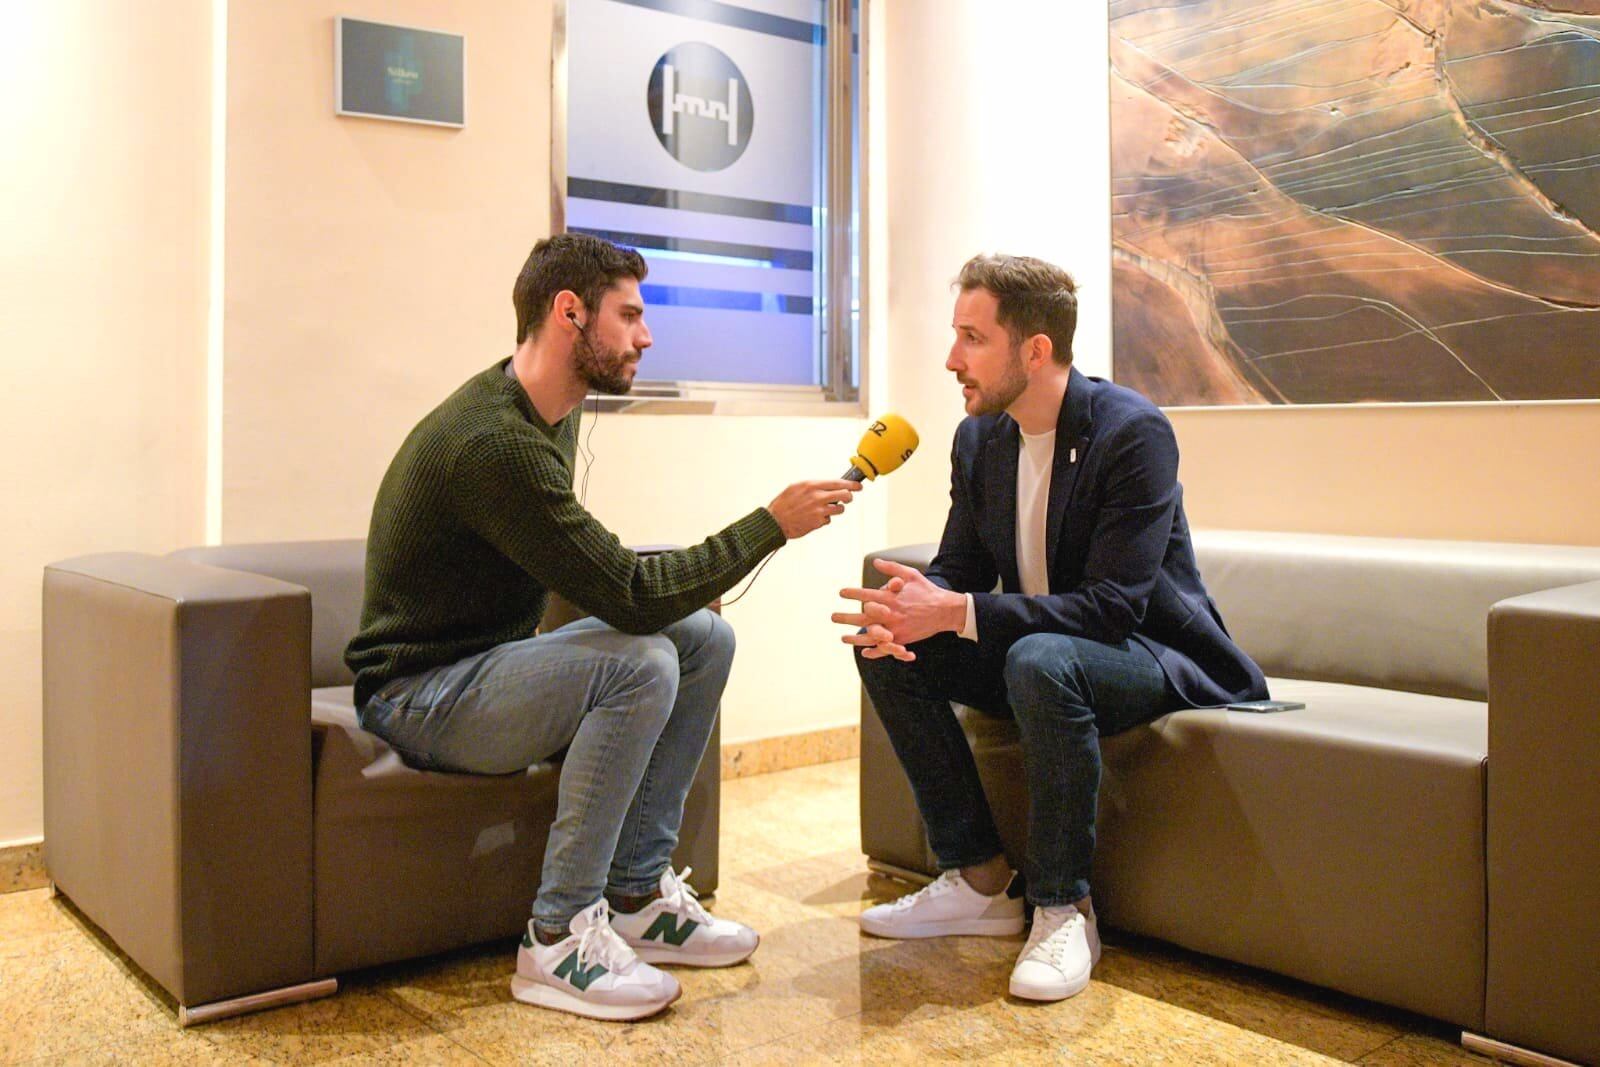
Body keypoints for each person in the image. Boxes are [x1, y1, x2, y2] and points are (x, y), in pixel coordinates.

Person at [346, 233, 860, 1021]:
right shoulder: (495, 442)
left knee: (702, 639)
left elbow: (599, 573)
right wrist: (771, 524)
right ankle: (556, 938)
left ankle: (637, 894)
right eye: (630, 315)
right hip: (420, 695)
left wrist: (681, 597)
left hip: (490, 667)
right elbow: (626, 588)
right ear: (569, 312)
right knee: (642, 663)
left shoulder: (551, 412)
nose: (646, 335)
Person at [834, 254, 1266, 1003]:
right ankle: (977, 879)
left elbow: (1113, 609)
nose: (950, 359)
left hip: (1150, 654)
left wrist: (959, 611)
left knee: (1039, 659)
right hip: (1049, 653)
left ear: (1035, 350)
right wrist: (918, 602)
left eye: (972, 338)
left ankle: (1065, 907)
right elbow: (961, 566)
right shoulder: (980, 440)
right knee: (888, 650)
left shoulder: (1132, 433)